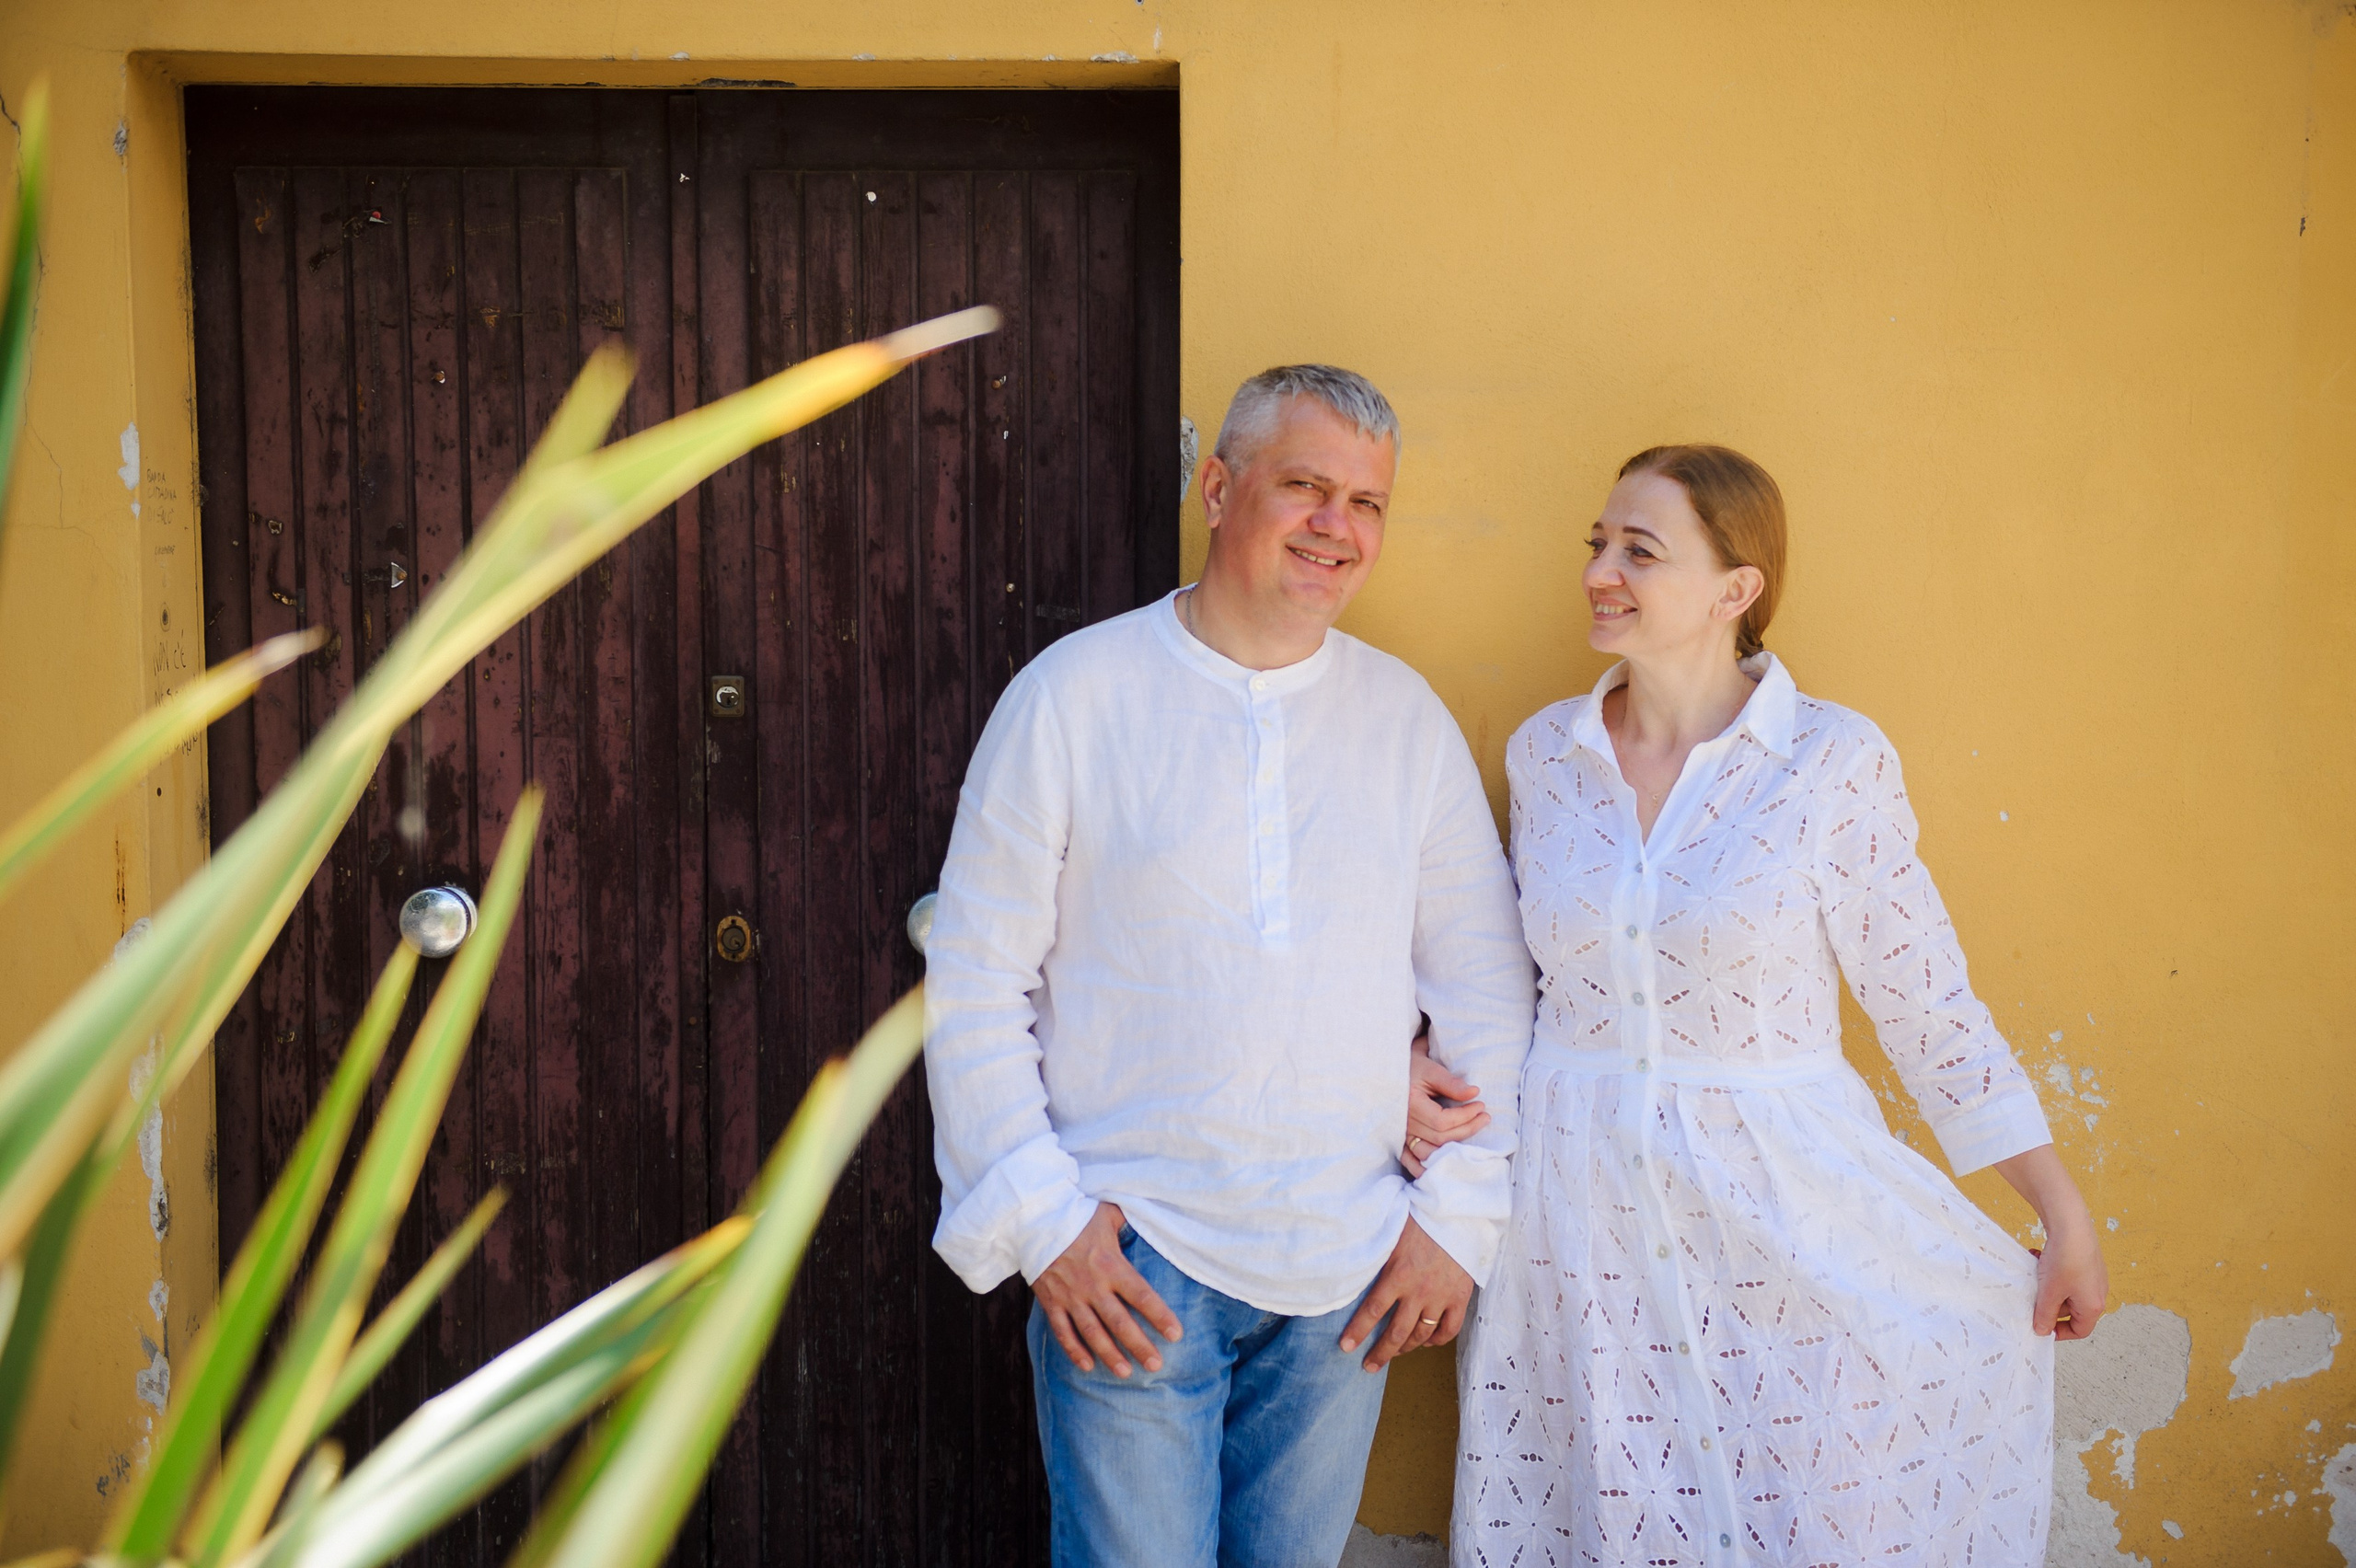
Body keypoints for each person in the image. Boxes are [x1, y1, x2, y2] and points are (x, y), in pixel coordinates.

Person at [1439, 445, 2108, 1567]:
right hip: (1575, 1227)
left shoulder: (1828, 761)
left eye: (1639, 550)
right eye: (1597, 545)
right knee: (1606, 1522)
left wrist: (2060, 1212)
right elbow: (1505, 981)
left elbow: (1926, 1002)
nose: (1601, 569)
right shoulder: (1544, 757)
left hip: (1783, 1211)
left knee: (1812, 1517)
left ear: (1735, 589)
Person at [921, 365, 1538, 1568]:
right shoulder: (1074, 698)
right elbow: (975, 980)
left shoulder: (1402, 721)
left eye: (1367, 504)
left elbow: (1483, 986)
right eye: (1305, 486)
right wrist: (1045, 1222)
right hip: (1133, 1261)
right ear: (1219, 487)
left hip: (1347, 1271)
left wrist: (1459, 1220)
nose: (1337, 528)